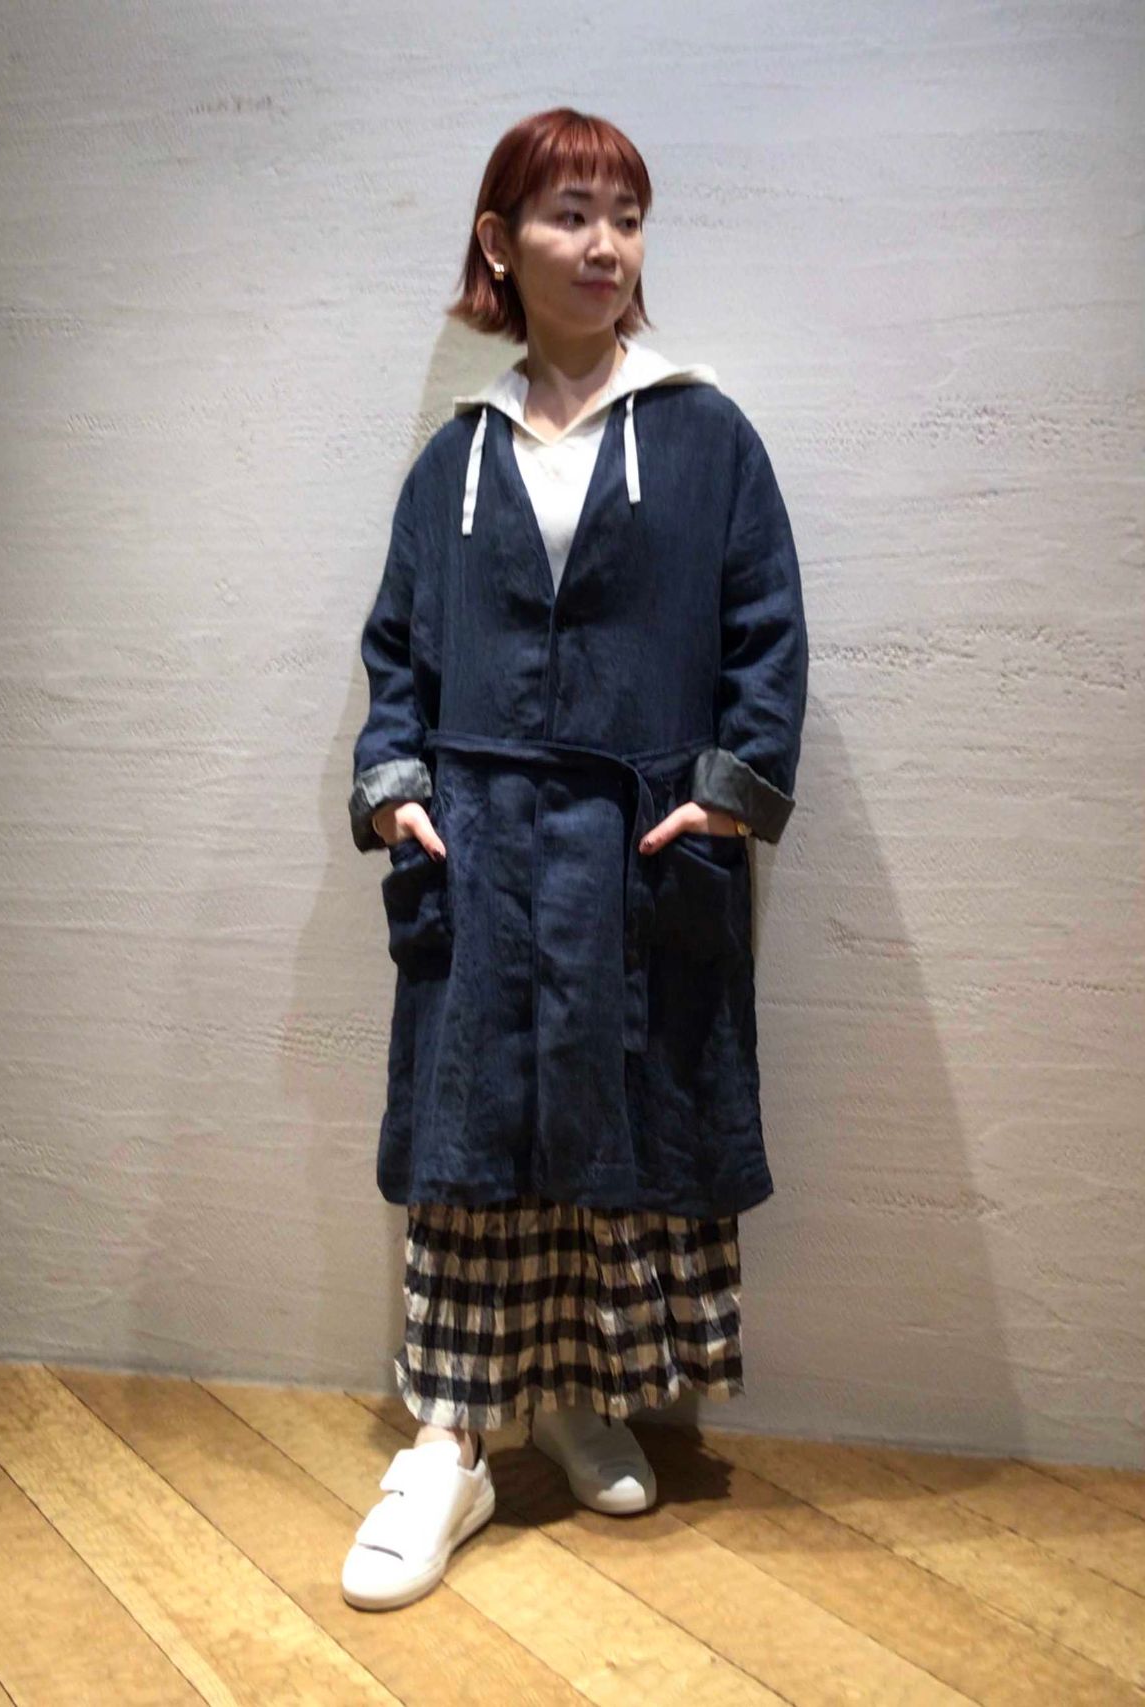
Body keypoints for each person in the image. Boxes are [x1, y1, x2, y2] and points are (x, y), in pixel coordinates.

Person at [341, 106, 809, 1612]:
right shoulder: (456, 461)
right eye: (569, 215)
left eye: (627, 216)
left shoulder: (706, 437)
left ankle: (581, 1396)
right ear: (501, 242)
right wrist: (395, 790)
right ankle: (449, 1440)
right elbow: (398, 650)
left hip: (637, 849)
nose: (605, 246)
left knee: (622, 1134)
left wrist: (731, 795)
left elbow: (767, 633)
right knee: (476, 1140)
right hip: (481, 851)